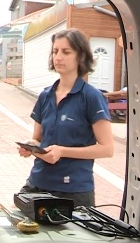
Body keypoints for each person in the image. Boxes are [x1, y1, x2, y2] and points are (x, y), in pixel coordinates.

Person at [17, 28, 114, 208]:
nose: (58, 57)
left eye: (66, 52)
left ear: (81, 56)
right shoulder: (45, 95)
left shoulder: (92, 97)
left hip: (74, 192)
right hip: (37, 183)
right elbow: (37, 139)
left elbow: (107, 149)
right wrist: (30, 147)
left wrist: (63, 151)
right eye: (55, 51)